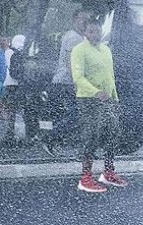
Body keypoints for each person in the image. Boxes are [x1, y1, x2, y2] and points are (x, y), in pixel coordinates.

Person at [71, 19, 127, 193]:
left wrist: (115, 99)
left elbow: (110, 77)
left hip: (108, 100)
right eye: (91, 31)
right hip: (89, 99)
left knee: (112, 133)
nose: (95, 34)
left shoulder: (106, 50)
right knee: (91, 136)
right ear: (85, 32)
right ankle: (85, 177)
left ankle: (108, 172)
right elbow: (77, 77)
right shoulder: (79, 50)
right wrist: (95, 92)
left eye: (98, 31)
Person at [49, 9, 91, 155]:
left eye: (87, 19)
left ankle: (75, 146)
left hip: (66, 81)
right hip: (67, 82)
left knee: (77, 114)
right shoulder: (74, 38)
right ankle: (50, 137)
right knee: (77, 114)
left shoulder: (77, 37)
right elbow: (70, 62)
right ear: (75, 20)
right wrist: (77, 82)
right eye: (82, 19)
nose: (85, 22)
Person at [2, 35, 26, 143]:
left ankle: (10, 133)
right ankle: (26, 133)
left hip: (8, 83)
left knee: (11, 110)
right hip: (19, 84)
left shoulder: (8, 52)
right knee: (23, 109)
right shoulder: (22, 54)